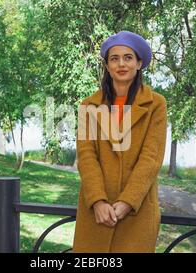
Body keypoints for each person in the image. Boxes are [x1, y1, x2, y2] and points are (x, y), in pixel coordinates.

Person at [73, 31, 167, 253]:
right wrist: (97, 201)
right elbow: (86, 156)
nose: (121, 64)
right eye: (114, 58)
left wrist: (127, 202)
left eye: (128, 57)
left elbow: (151, 158)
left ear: (139, 63)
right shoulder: (89, 106)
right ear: (107, 66)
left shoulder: (156, 105)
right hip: (96, 214)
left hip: (137, 212)